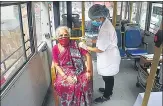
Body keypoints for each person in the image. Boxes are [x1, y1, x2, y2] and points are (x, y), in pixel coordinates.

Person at [79, 4, 121, 104]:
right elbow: (100, 39)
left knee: (108, 77)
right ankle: (108, 90)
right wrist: (91, 40)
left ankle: (106, 95)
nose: (94, 20)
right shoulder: (104, 23)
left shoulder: (106, 28)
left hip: (109, 57)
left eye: (94, 18)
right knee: (108, 77)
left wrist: (86, 47)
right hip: (108, 55)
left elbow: (100, 49)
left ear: (100, 16)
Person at [52, 26, 93, 106]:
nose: (63, 37)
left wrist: (88, 71)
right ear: (57, 37)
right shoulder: (55, 48)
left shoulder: (76, 44)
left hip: (78, 68)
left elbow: (88, 55)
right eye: (61, 35)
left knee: (83, 83)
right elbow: (56, 65)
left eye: (65, 34)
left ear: (69, 35)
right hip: (63, 71)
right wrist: (66, 77)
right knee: (67, 84)